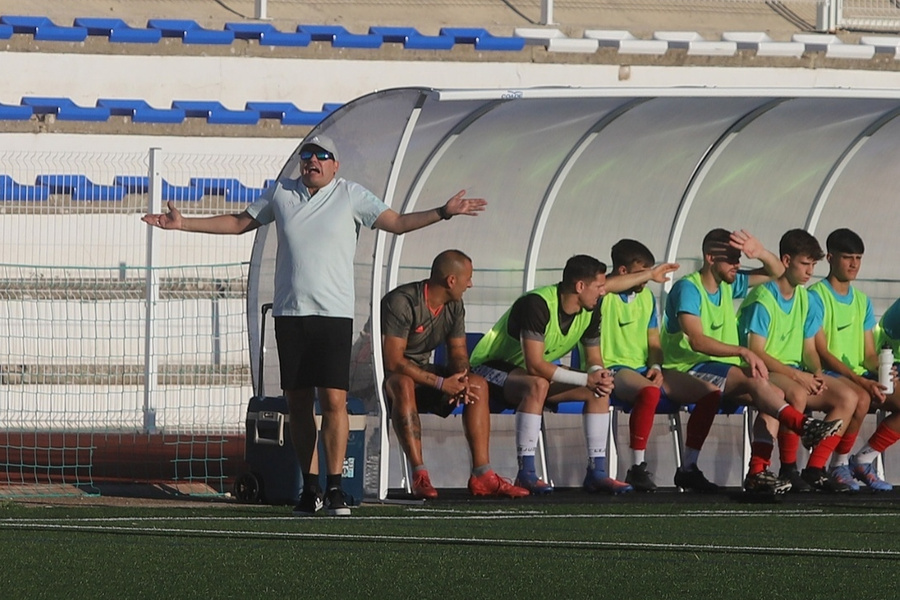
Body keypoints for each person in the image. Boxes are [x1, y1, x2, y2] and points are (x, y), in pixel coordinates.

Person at [142, 134, 487, 516]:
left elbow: (399, 223)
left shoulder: (350, 195)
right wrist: (183, 223)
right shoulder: (281, 194)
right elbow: (240, 223)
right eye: (308, 155)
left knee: (334, 401)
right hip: (291, 316)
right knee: (299, 404)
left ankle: (335, 487)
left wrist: (444, 211)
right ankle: (310, 488)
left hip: (333, 317)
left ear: (335, 166)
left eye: (323, 156)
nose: (314, 161)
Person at [469, 254, 679, 495]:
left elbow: (593, 358)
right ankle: (525, 473)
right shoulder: (537, 304)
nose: (603, 292)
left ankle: (597, 473)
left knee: (599, 388)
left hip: (530, 375)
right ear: (580, 286)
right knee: (537, 384)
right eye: (599, 287)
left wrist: (597, 375)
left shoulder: (589, 309)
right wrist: (585, 378)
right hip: (489, 368)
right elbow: (536, 365)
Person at [661, 228, 842, 494]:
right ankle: (804, 426)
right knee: (759, 384)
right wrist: (743, 351)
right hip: (687, 368)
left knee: (773, 393)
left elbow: (776, 272)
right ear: (710, 258)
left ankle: (758, 471)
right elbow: (697, 341)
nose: (738, 265)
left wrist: (760, 252)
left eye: (739, 258)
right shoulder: (688, 288)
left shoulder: (729, 284)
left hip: (720, 369)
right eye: (732, 259)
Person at [381, 249, 528, 500]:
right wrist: (441, 383)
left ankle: (483, 474)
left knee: (478, 384)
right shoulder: (402, 302)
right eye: (467, 278)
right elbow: (393, 361)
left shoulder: (455, 305)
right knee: (403, 383)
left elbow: (458, 351)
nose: (470, 284)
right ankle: (419, 474)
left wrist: (460, 378)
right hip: (387, 377)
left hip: (425, 375)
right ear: (451, 280)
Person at [736, 229, 856, 493]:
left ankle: (815, 469)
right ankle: (785, 468)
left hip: (791, 372)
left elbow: (809, 348)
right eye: (805, 264)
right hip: (762, 370)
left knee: (848, 397)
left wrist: (816, 372)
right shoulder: (763, 299)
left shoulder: (804, 297)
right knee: (793, 393)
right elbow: (757, 352)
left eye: (813, 264)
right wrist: (798, 376)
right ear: (787, 261)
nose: (810, 271)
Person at [598, 239, 722, 492]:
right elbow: (606, 285)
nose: (648, 280)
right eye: (641, 273)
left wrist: (655, 365)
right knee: (649, 391)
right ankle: (637, 468)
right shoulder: (603, 294)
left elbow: (654, 341)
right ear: (623, 271)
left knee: (710, 393)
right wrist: (649, 274)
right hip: (614, 368)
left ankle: (689, 467)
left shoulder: (646, 299)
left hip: (644, 370)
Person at [809, 228, 891, 491]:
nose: (854, 264)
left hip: (856, 376)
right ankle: (836, 465)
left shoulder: (862, 301)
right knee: (860, 397)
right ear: (830, 258)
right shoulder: (816, 296)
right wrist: (862, 381)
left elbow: (868, 355)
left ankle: (864, 460)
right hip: (830, 375)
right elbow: (822, 353)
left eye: (858, 258)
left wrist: (882, 370)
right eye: (848, 257)